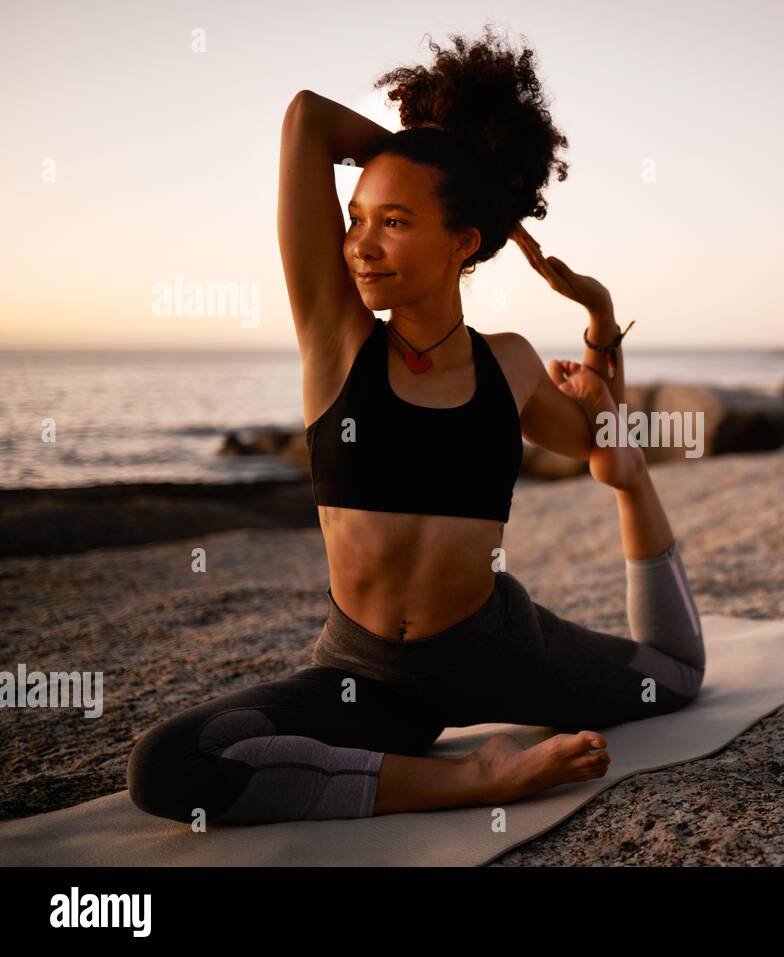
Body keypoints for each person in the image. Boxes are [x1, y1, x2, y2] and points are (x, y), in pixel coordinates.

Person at [126, 26, 706, 825]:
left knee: (675, 678)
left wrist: (600, 318)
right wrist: (425, 150)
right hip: (365, 675)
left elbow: (604, 447)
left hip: (500, 653)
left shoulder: (507, 363)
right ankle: (475, 778)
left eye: (393, 221)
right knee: (169, 764)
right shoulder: (337, 339)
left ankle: (458, 771)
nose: (361, 246)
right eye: (356, 217)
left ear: (463, 240)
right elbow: (307, 120)